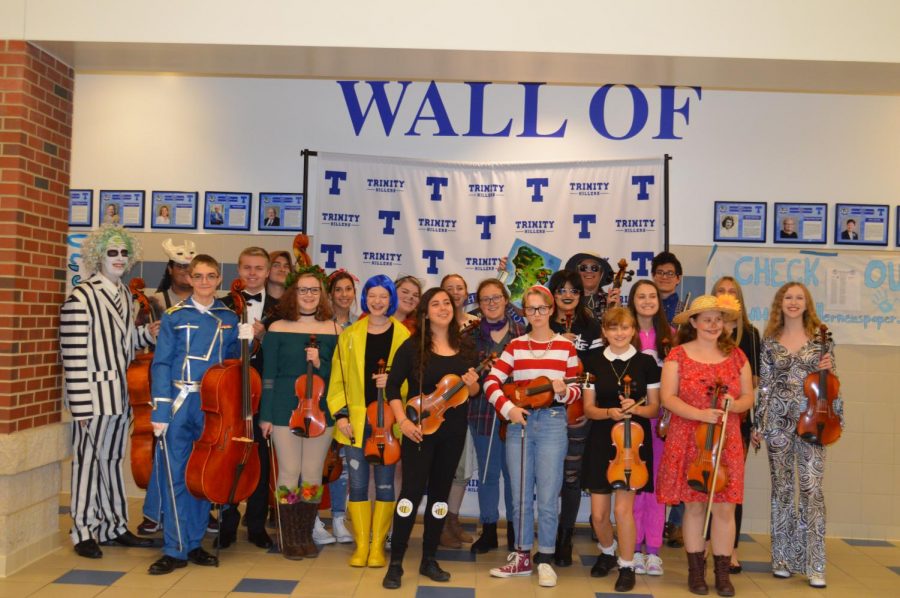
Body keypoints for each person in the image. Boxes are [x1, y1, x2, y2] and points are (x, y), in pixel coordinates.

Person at [147, 254, 253, 574]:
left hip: (214, 410)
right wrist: (160, 410)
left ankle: (194, 544)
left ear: (219, 279)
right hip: (179, 404)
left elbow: (236, 365)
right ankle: (174, 548)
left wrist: (250, 341)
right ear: (189, 279)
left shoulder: (229, 317)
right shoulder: (174, 316)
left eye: (211, 276)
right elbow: (162, 363)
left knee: (204, 477)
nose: (205, 282)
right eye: (198, 276)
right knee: (175, 476)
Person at [59, 225, 159, 559]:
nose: (119, 258)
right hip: (93, 398)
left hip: (120, 396)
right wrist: (81, 407)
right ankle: (83, 530)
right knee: (87, 462)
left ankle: (113, 526)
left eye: (123, 253)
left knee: (112, 461)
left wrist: (147, 332)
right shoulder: (81, 296)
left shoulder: (125, 295)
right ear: (98, 256)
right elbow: (72, 354)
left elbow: (124, 343)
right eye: (112, 252)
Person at [381, 288, 481, 589]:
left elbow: (470, 394)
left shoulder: (466, 349)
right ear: (424, 313)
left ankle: (429, 558)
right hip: (419, 430)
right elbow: (392, 387)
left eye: (446, 303)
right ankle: (396, 561)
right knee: (409, 495)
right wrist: (402, 422)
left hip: (453, 433)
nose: (442, 308)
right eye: (435, 304)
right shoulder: (412, 347)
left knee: (440, 497)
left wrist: (474, 384)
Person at [656, 295, 754, 596]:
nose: (713, 324)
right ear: (694, 323)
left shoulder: (737, 356)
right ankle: (696, 572)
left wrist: (734, 404)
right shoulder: (677, 355)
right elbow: (667, 398)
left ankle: (723, 574)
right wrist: (700, 414)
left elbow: (749, 397)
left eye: (718, 319)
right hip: (689, 438)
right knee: (695, 506)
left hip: (726, 440)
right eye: (707, 319)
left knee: (725, 509)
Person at [485, 285, 581, 588]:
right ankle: (522, 556)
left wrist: (565, 391)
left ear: (551, 310)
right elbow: (491, 382)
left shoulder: (566, 347)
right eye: (530, 309)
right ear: (524, 312)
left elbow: (578, 387)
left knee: (549, 496)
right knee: (521, 495)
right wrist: (509, 408)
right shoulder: (515, 346)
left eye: (541, 308)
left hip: (553, 421)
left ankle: (546, 559)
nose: (536, 314)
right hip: (520, 424)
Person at [752, 282, 842, 589]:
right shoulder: (769, 341)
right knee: (782, 489)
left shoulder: (821, 342)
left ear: (807, 304)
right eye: (788, 297)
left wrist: (835, 418)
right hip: (777, 422)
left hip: (814, 421)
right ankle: (783, 559)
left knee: (812, 490)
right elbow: (763, 386)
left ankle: (815, 564)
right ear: (780, 303)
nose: (793, 302)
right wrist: (757, 424)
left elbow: (832, 386)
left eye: (799, 298)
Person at [327, 275, 410, 568]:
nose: (377, 301)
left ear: (391, 300)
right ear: (365, 299)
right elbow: (336, 382)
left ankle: (378, 546)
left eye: (383, 296)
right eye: (372, 296)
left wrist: (394, 384)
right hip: (355, 423)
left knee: (386, 486)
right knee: (359, 485)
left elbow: (412, 383)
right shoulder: (349, 335)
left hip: (387, 423)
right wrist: (341, 415)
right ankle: (361, 545)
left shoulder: (404, 337)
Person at [259, 265, 339, 559]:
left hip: (321, 409)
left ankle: (304, 535)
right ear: (294, 294)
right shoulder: (278, 328)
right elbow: (268, 376)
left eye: (314, 290)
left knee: (313, 475)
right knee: (290, 472)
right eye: (303, 290)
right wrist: (265, 415)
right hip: (283, 409)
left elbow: (341, 377)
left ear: (322, 295)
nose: (309, 295)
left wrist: (321, 364)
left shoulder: (334, 330)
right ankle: (289, 537)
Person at [581, 307, 661, 592]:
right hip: (603, 439)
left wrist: (636, 407)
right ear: (604, 331)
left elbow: (654, 408)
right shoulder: (591, 361)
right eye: (613, 328)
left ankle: (626, 566)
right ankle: (607, 552)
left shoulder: (646, 363)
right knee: (599, 515)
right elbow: (589, 409)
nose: (619, 333)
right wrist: (610, 413)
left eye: (624, 327)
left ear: (633, 330)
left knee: (623, 510)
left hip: (632, 445)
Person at [218, 247, 277, 550]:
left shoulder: (280, 309)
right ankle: (227, 524)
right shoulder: (223, 305)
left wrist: (265, 336)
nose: (252, 274)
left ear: (268, 272)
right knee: (228, 457)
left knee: (261, 460)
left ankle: (256, 525)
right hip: (230, 392)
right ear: (238, 271)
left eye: (259, 268)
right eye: (247, 268)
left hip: (263, 394)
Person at [137, 238, 198, 536]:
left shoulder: (207, 303)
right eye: (181, 267)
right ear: (171, 269)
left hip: (196, 391)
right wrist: (150, 333)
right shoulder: (155, 302)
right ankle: (155, 510)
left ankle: (194, 508)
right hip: (165, 387)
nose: (187, 272)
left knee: (193, 453)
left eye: (192, 267)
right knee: (163, 453)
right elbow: (139, 345)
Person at [546, 269, 601, 567]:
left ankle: (565, 536)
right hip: (545, 408)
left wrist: (573, 353)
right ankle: (544, 534)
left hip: (577, 410)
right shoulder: (543, 322)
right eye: (561, 289)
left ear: (581, 295)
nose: (567, 295)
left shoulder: (590, 327)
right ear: (552, 293)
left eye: (574, 290)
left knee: (571, 476)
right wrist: (556, 344)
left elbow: (595, 370)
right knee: (546, 476)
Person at [468, 278, 525, 554]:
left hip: (515, 416)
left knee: (515, 476)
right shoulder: (470, 337)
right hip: (482, 415)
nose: (491, 303)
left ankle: (516, 531)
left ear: (506, 300)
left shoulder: (521, 334)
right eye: (485, 299)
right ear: (479, 305)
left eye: (496, 298)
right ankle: (489, 529)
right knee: (488, 475)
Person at [711, 276, 761, 574]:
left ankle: (731, 549)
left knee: (731, 486)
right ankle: (705, 545)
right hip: (707, 420)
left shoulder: (750, 335)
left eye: (731, 293)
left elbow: (755, 383)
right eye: (720, 292)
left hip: (737, 420)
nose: (726, 296)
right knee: (704, 484)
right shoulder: (704, 330)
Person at [627, 279, 675, 577]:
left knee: (656, 485)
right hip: (632, 418)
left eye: (652, 296)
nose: (647, 301)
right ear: (632, 301)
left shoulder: (671, 336)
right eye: (641, 296)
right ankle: (632, 546)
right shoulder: (625, 335)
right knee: (633, 483)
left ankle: (654, 550)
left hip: (659, 419)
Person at [439, 273, 478, 548]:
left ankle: (452, 520)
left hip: (466, 407)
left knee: (462, 470)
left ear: (466, 293)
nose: (454, 293)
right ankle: (439, 522)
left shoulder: (475, 324)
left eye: (459, 288)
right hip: (437, 408)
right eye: (448, 289)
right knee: (441, 471)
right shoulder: (436, 326)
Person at [564, 252, 619, 320]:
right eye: (583, 268)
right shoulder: (567, 298)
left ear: (601, 274)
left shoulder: (611, 301)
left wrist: (616, 312)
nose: (589, 271)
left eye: (594, 268)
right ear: (577, 273)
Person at [652, 251, 683, 323]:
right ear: (653, 276)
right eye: (660, 272)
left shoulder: (686, 310)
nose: (664, 277)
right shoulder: (645, 308)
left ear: (678, 278)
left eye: (670, 273)